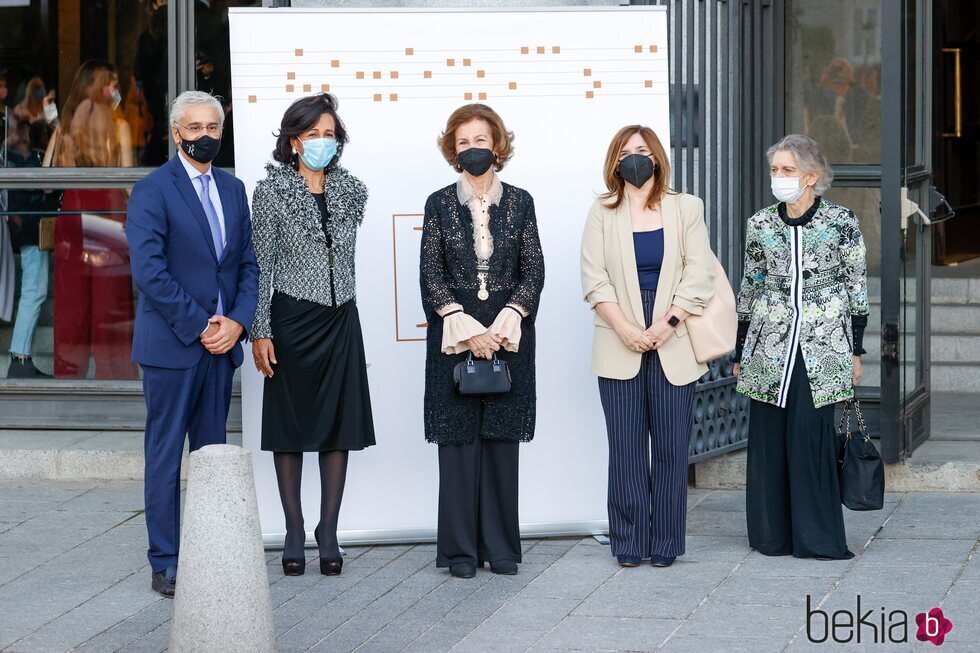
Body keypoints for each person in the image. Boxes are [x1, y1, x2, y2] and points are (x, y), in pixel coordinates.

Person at [126, 90, 259, 596]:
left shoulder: (233, 187)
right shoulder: (152, 189)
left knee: (211, 459)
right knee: (165, 456)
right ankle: (166, 561)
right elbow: (150, 273)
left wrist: (238, 324)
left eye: (213, 128)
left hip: (222, 349)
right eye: (195, 128)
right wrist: (204, 324)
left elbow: (246, 264)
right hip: (173, 347)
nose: (206, 136)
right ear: (176, 132)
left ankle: (208, 553)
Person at [250, 93, 375, 577]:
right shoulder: (271, 191)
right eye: (312, 134)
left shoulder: (353, 191)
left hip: (341, 316)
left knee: (336, 425)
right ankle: (294, 527)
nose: (322, 142)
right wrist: (261, 328)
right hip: (289, 320)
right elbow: (263, 266)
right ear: (293, 140)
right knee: (290, 426)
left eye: (330, 134)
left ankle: (329, 529)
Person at [580, 125, 716, 568]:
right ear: (614, 162)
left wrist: (665, 325)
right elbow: (593, 277)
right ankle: (628, 542)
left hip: (673, 343)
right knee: (626, 449)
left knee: (673, 451)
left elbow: (700, 272)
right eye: (624, 152)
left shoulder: (686, 207)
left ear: (656, 156)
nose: (633, 158)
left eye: (640, 150)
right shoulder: (602, 211)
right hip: (618, 344)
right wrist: (625, 329)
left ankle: (665, 542)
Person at [420, 104, 544, 579]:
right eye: (464, 142)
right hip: (453, 341)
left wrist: (504, 323)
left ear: (498, 145)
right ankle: (460, 553)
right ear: (454, 149)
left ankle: (502, 549)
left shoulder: (521, 201)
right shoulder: (437, 203)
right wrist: (470, 330)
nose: (473, 149)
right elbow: (431, 275)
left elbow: (533, 271)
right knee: (456, 447)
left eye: (481, 140)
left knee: (500, 445)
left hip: (509, 339)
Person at [733, 134, 869, 561]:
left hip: (824, 348)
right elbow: (750, 285)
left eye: (788, 170)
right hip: (767, 350)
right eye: (775, 170)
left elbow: (856, 289)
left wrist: (856, 351)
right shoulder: (761, 223)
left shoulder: (841, 222)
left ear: (811, 177)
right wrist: (740, 351)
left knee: (810, 441)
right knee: (769, 443)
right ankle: (771, 536)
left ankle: (816, 538)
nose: (779, 177)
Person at [45, 60, 137, 379]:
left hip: (72, 209)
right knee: (110, 299)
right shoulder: (119, 125)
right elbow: (127, 182)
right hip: (108, 212)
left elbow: (46, 178)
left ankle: (68, 374)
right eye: (111, 84)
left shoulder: (66, 126)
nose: (116, 91)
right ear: (100, 87)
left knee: (72, 301)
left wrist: (56, 129)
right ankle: (113, 375)